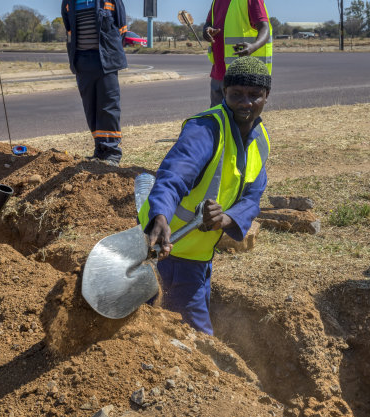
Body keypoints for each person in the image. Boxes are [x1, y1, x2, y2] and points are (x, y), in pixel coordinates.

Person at [137, 57, 271, 334]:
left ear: (266, 96)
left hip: (199, 256)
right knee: (197, 341)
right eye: (236, 94)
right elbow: (174, 176)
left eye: (254, 95)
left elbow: (252, 196)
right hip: (170, 252)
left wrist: (224, 220)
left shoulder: (260, 139)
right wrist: (160, 215)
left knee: (166, 334)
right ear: (223, 93)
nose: (245, 103)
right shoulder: (205, 130)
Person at [61, 0, 128, 166]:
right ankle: (100, 150)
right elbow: (69, 28)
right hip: (82, 61)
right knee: (91, 108)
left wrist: (108, 49)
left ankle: (112, 152)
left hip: (106, 60)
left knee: (108, 107)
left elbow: (121, 29)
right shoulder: (68, 2)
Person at [203, 0, 273, 107]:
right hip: (218, 74)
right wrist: (206, 30)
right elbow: (208, 22)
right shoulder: (216, 1)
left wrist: (253, 46)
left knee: (242, 119)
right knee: (218, 118)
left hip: (242, 75)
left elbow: (264, 28)